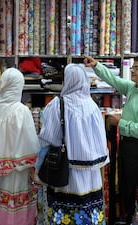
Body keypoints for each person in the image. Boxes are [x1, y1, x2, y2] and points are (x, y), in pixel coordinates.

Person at [84, 55, 138, 224]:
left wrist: (121, 122)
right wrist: (96, 65)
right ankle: (127, 218)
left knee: (133, 189)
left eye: (137, 68)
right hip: (127, 145)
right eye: (133, 67)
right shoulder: (133, 88)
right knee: (124, 187)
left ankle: (133, 220)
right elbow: (113, 79)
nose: (133, 71)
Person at [38, 63, 109, 225]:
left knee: (64, 213)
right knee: (89, 212)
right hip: (91, 173)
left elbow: (49, 138)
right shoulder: (93, 106)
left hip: (65, 170)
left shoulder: (57, 105)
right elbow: (101, 141)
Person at [0, 67, 40, 225]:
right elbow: (30, 143)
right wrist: (34, 165)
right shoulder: (21, 111)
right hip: (16, 172)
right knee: (15, 207)